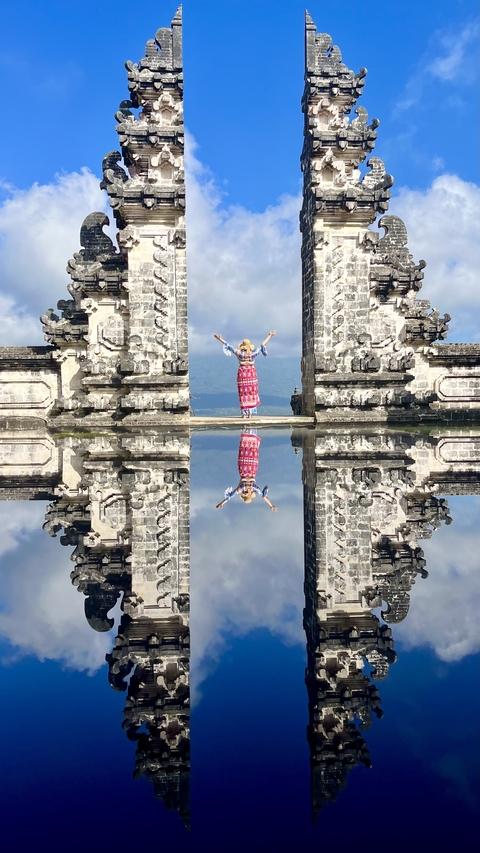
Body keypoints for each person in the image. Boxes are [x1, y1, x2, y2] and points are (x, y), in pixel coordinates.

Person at [213, 330, 276, 418]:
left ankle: (244, 413)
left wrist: (220, 339)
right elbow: (262, 345)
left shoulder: (240, 354)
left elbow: (229, 346)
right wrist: (270, 335)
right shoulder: (253, 353)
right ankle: (250, 413)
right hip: (251, 373)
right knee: (251, 392)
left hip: (242, 373)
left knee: (243, 393)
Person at [215, 430, 278, 511]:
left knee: (245, 451)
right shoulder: (253, 488)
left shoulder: (241, 489)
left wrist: (221, 503)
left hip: (245, 468)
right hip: (251, 468)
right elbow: (264, 497)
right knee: (251, 451)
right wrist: (271, 505)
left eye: (246, 493)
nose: (247, 492)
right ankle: (250, 428)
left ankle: (247, 427)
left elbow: (229, 497)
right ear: (250, 493)